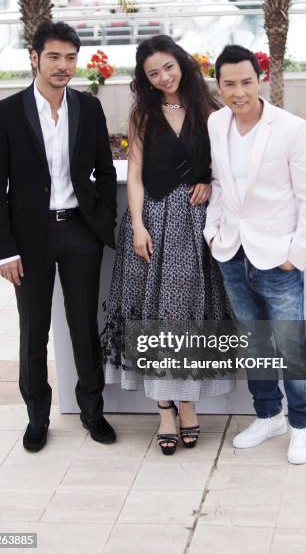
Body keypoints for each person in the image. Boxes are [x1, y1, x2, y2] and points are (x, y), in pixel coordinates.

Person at [0, 21, 117, 452]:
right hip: (30, 237)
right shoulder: (6, 112)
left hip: (80, 231)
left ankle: (93, 412)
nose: (63, 66)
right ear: (35, 58)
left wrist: (104, 225)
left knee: (84, 325)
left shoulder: (88, 107)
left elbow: (105, 168)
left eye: (70, 57)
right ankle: (37, 418)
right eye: (54, 57)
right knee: (33, 331)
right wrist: (5, 249)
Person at [102, 35, 234, 455]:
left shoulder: (209, 109)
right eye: (153, 73)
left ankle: (189, 404)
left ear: (182, 63)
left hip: (196, 227)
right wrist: (138, 225)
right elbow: (135, 173)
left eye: (168, 68)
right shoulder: (143, 113)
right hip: (154, 223)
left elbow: (228, 163)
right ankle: (164, 409)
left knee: (188, 315)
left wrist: (208, 180)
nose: (163, 78)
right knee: (155, 315)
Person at [204, 45, 306, 464]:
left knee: (291, 346)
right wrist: (213, 232)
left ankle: (301, 425)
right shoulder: (216, 122)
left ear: (261, 80)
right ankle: (268, 415)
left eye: (246, 82)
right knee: (253, 342)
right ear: (218, 86)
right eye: (229, 84)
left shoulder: (291, 128)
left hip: (278, 257)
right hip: (232, 252)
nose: (238, 92)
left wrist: (297, 253)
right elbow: (220, 184)